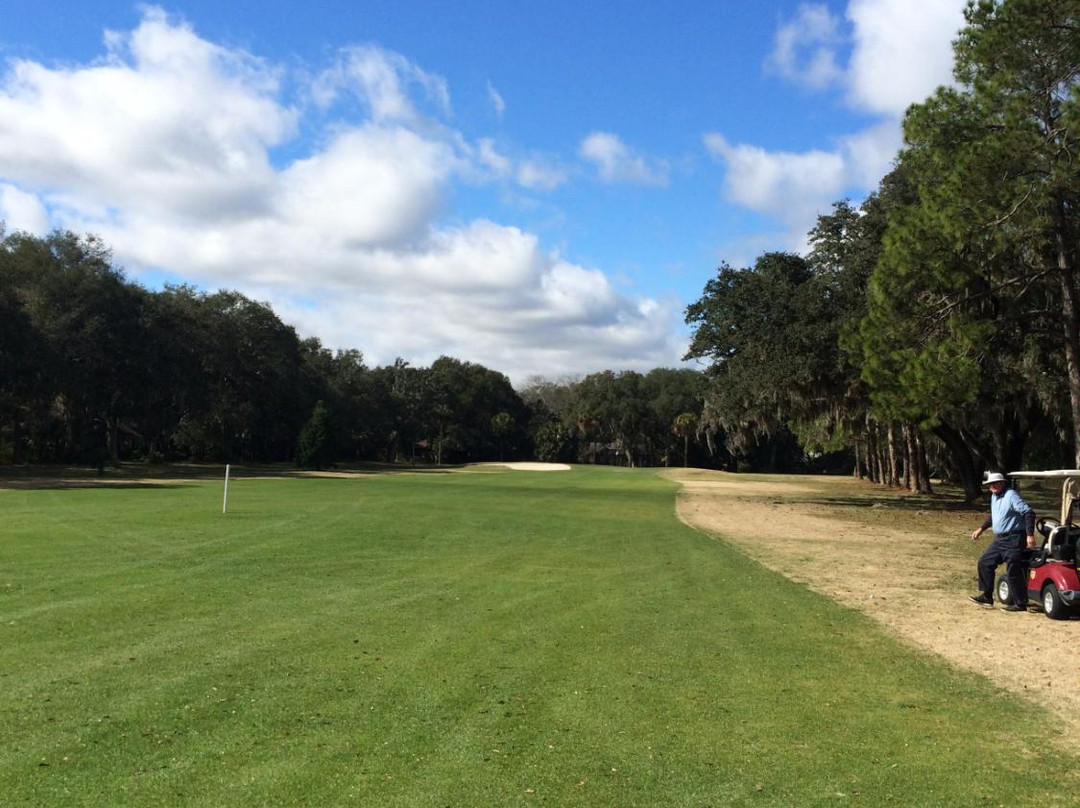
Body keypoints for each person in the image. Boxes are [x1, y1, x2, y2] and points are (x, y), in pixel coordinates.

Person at [970, 471, 1036, 611]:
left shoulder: (1011, 495)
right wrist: (981, 529)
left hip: (1014, 537)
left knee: (1013, 569)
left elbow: (1028, 513)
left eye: (995, 483)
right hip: (1000, 539)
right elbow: (994, 517)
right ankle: (987, 596)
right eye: (990, 484)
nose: (992, 486)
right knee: (985, 562)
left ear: (1002, 483)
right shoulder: (994, 497)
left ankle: (1020, 603)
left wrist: (1030, 535)